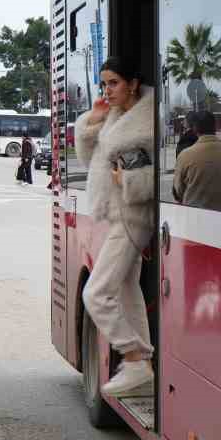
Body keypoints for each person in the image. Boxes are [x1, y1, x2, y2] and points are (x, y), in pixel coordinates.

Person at [76, 57, 156, 397]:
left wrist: (129, 179)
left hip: (134, 215)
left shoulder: (148, 120)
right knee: (127, 289)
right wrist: (91, 122)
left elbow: (165, 173)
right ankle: (145, 367)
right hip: (117, 214)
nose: (107, 90)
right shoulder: (115, 114)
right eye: (104, 83)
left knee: (95, 293)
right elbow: (87, 160)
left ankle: (134, 357)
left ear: (133, 84)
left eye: (114, 83)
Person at [172, 109, 221, 212]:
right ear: (215, 127)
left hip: (196, 220)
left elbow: (178, 192)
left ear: (195, 129)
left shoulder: (185, 156)